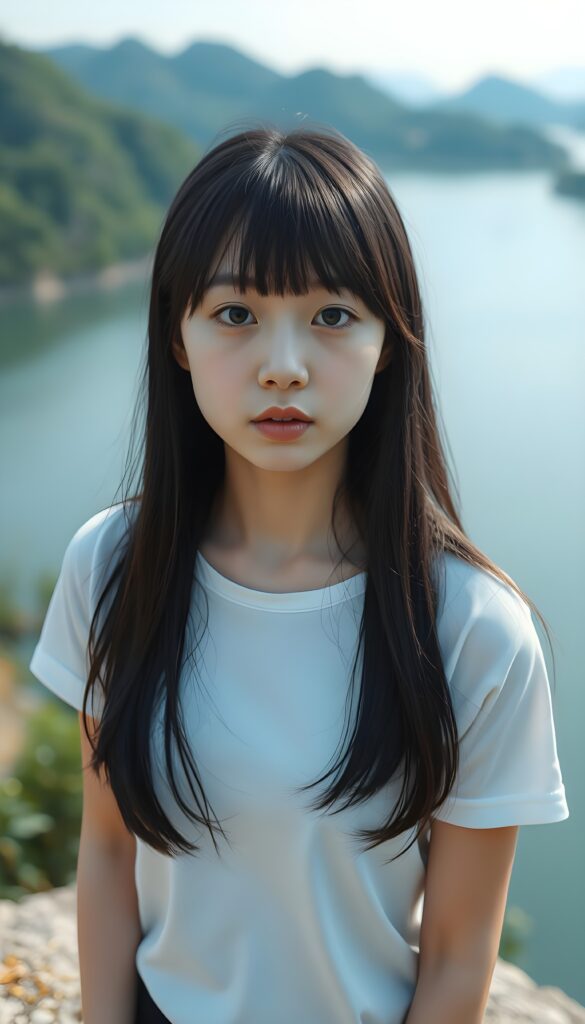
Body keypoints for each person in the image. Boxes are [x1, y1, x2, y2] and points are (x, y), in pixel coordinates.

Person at [28, 124, 569, 1024]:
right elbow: (110, 853)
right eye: (235, 315)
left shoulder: (471, 627)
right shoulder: (114, 566)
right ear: (178, 335)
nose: (283, 367)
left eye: (332, 317)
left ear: (388, 341)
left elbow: (458, 953)